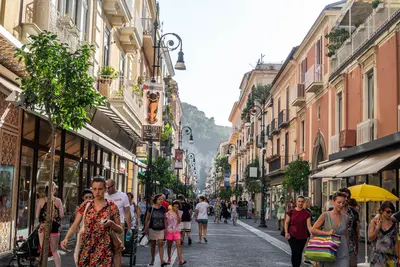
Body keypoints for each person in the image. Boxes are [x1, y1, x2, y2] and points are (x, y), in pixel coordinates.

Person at [61, 177, 122, 267]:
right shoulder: (86, 205)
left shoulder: (112, 206)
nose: (97, 192)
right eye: (95, 189)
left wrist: (111, 224)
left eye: (100, 189)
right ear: (91, 189)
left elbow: (120, 230)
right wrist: (66, 238)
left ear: (105, 189)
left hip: (104, 250)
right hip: (86, 248)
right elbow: (75, 225)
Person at [311, 192, 349, 267]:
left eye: (343, 203)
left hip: (343, 251)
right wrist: (327, 233)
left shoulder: (346, 217)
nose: (341, 205)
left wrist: (347, 249)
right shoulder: (325, 215)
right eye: (339, 202)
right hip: (329, 250)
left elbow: (346, 234)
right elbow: (313, 230)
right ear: (333, 202)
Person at [36, 182, 64, 267]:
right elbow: (62, 215)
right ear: (54, 190)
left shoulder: (41, 200)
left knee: (43, 250)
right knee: (55, 251)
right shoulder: (58, 201)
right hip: (54, 227)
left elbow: (37, 215)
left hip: (42, 227)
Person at [105, 179, 131, 267]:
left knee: (117, 249)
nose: (107, 190)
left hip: (119, 225)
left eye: (108, 188)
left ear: (114, 186)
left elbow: (127, 212)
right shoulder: (104, 195)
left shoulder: (123, 196)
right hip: (106, 225)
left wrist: (129, 228)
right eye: (106, 188)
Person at [284, 196, 312, 267]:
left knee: (299, 252)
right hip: (292, 235)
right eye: (299, 201)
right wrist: (286, 232)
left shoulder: (307, 213)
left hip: (302, 236)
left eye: (302, 202)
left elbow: (309, 225)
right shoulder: (291, 212)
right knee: (294, 251)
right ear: (296, 202)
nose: (300, 203)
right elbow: (286, 222)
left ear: (304, 202)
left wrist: (312, 234)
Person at [368, 201, 398, 266]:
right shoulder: (374, 222)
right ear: (381, 211)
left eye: (391, 212)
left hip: (391, 258)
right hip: (377, 258)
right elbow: (370, 238)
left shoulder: (394, 224)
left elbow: (395, 243)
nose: (390, 214)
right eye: (388, 212)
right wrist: (377, 229)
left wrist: (398, 257)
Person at [338, 188, 359, 267]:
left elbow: (355, 230)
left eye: (347, 197)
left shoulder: (353, 213)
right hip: (335, 245)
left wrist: (356, 245)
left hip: (349, 245)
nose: (345, 199)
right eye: (343, 196)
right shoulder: (331, 212)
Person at [144, 194, 167, 267]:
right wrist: (145, 228)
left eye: (162, 199)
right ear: (156, 200)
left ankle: (162, 260)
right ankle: (152, 259)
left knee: (160, 243)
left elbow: (165, 218)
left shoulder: (163, 208)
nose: (161, 200)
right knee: (153, 244)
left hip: (161, 228)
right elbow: (147, 218)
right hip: (152, 228)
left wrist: (166, 228)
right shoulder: (151, 208)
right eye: (159, 199)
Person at [165, 201, 187, 266]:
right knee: (169, 246)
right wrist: (166, 229)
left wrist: (177, 214)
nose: (176, 208)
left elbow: (179, 222)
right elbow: (166, 222)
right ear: (172, 206)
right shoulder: (168, 213)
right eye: (175, 206)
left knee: (178, 245)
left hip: (177, 231)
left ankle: (180, 260)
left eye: (177, 207)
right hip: (170, 231)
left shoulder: (180, 213)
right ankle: (169, 258)